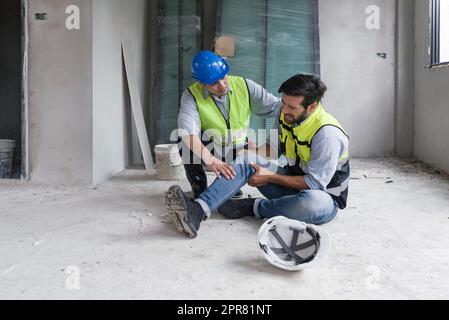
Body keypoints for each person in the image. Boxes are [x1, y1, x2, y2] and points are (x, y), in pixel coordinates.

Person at [167, 74, 350, 239]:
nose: (284, 110)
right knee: (247, 159)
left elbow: (315, 184)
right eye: (283, 103)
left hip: (324, 198)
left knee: (312, 203)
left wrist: (270, 177)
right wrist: (247, 155)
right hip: (291, 182)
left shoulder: (327, 134)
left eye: (291, 107)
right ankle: (198, 210)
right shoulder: (286, 115)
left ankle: (253, 207)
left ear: (312, 107)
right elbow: (272, 150)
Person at [178, 51, 281, 198]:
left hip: (240, 148)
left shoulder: (245, 86)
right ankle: (200, 190)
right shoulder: (191, 96)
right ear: (201, 83)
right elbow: (186, 133)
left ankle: (229, 185)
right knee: (184, 142)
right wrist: (210, 159)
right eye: (214, 83)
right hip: (212, 146)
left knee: (239, 181)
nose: (222, 85)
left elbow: (278, 107)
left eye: (223, 77)